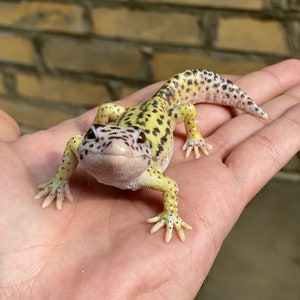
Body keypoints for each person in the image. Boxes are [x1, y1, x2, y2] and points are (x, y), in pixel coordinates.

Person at [0, 59, 299, 299]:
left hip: (156, 113)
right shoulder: (83, 148)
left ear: (142, 152)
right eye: (93, 138)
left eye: (125, 146)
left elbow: (172, 184)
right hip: (131, 123)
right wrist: (59, 179)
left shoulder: (145, 172)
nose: (112, 151)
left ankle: (231, 107)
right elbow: (75, 144)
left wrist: (192, 139)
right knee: (107, 112)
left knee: (175, 109)